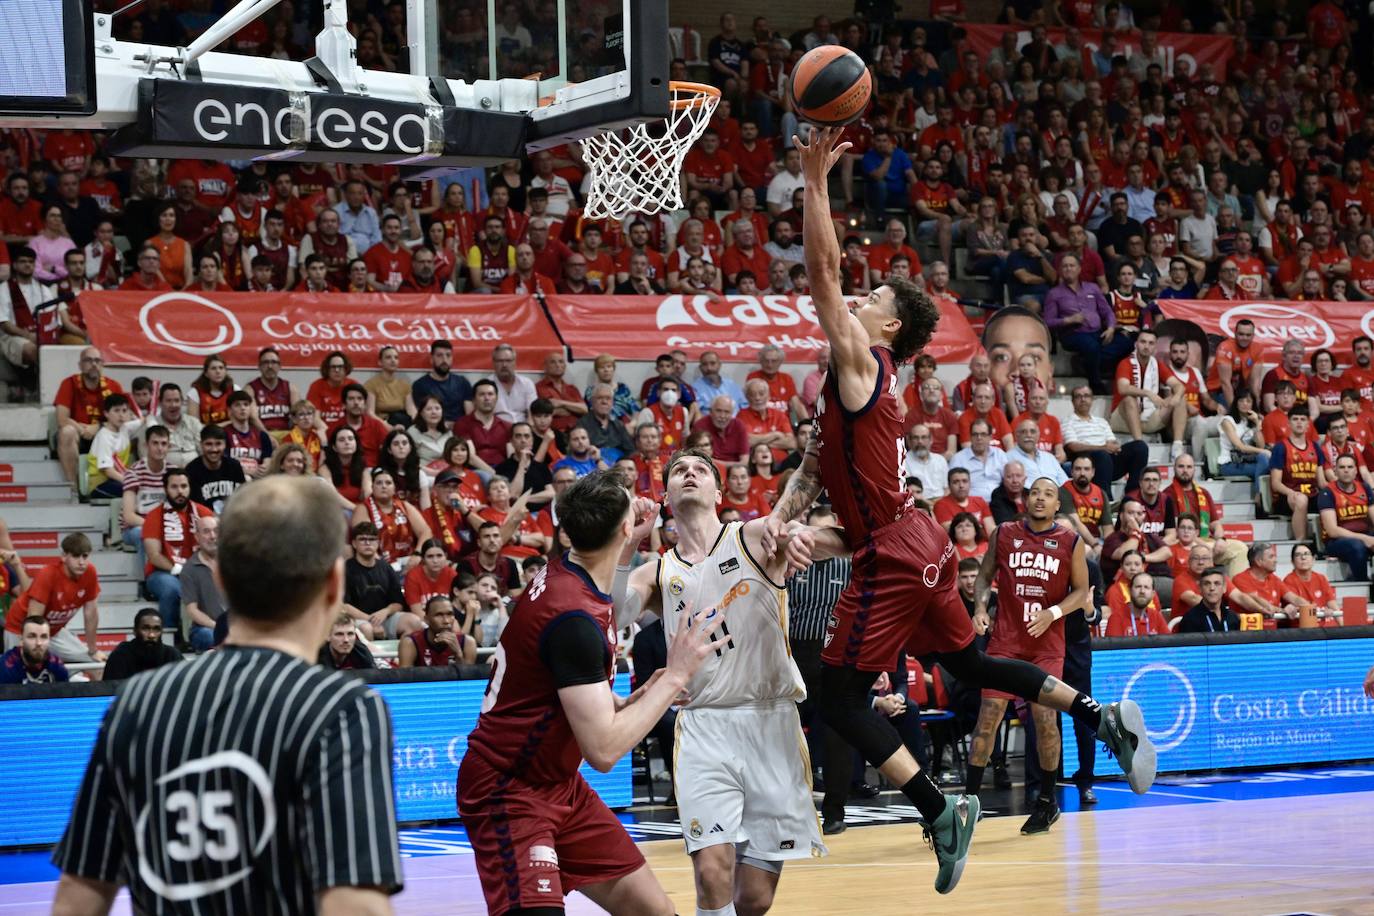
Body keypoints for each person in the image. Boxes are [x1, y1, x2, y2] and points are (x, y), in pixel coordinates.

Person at [764, 127, 1155, 896]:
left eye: (871, 301)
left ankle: (940, 810)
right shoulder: (863, 389)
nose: (858, 300)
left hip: (897, 554)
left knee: (840, 698)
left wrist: (813, 181)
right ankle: (1099, 716)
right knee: (969, 663)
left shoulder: (861, 362)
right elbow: (846, 494)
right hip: (918, 543)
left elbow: (821, 271)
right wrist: (802, 527)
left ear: (887, 330)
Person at [51, 477, 403, 914]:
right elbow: (356, 905)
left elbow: (77, 897)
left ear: (220, 578)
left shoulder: (135, 703)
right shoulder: (344, 709)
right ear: (335, 583)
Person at [458, 470, 725, 916]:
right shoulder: (574, 620)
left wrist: (639, 695)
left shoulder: (567, 572)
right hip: (509, 790)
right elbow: (603, 749)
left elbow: (581, 698)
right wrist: (676, 675)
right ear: (621, 527)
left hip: (560, 786)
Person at [616, 449, 824, 914]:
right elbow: (611, 614)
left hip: (770, 723)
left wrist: (802, 533)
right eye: (679, 472)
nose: (690, 474)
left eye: (701, 469)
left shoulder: (751, 537)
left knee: (753, 898)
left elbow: (819, 537)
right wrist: (629, 544)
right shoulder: (658, 571)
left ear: (718, 491)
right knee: (712, 876)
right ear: (666, 496)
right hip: (704, 727)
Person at [968, 478, 1091, 834]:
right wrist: (979, 607)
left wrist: (1052, 613)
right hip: (1005, 640)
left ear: (1058, 506)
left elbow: (1081, 591)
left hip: (1046, 645)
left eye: (1048, 494)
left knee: (1045, 721)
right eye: (1035, 492)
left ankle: (1046, 802)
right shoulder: (1005, 532)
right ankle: (969, 803)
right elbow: (983, 576)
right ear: (1025, 500)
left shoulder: (1070, 541)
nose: (1040, 498)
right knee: (987, 718)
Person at [3, 532, 103, 664]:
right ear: (64, 556)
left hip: (53, 631)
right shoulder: (48, 574)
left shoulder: (90, 572)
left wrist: (93, 650)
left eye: (85, 556)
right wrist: (35, 648)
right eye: (75, 556)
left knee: (96, 662)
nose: (81, 562)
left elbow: (91, 614)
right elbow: (33, 618)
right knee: (22, 671)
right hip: (20, 629)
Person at [142, 468, 216, 640]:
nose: (180, 491)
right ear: (166, 489)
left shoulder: (204, 513)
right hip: (163, 572)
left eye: (184, 486)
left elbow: (216, 545)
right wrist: (179, 569)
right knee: (171, 589)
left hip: (199, 569)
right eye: (174, 487)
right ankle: (169, 638)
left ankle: (208, 632)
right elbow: (154, 555)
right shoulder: (154, 516)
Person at [342, 521, 421, 640]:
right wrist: (370, 620)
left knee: (414, 622)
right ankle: (370, 659)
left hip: (384, 618)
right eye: (362, 539)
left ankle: (401, 657)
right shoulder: (345, 569)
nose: (368, 543)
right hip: (357, 620)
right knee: (367, 629)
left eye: (372, 539)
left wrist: (386, 611)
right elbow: (344, 606)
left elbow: (398, 603)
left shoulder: (386, 567)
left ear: (378, 543)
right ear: (354, 543)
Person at [1063, 385, 1149, 493]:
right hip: (1086, 463)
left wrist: (1113, 447)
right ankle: (1106, 499)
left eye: (1086, 396)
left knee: (1140, 447)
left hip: (1109, 462)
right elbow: (1073, 446)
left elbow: (1112, 442)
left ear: (1092, 399)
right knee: (1102, 455)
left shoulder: (1101, 422)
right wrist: (1102, 448)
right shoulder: (1068, 422)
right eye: (1078, 396)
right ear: (1072, 401)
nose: (1083, 399)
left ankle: (1133, 494)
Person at [1268, 408, 1324, 542]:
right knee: (1301, 500)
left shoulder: (1315, 448)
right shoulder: (1280, 447)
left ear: (1308, 424)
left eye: (1303, 419)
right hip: (1287, 497)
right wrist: (1292, 493)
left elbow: (1321, 482)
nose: (1299, 422)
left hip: (1313, 495)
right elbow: (1276, 483)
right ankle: (1301, 543)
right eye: (1295, 419)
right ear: (1289, 423)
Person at [1318, 454, 1374, 581]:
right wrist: (1365, 538)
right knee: (1357, 546)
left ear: (1356, 471)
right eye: (1342, 467)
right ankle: (1362, 585)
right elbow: (1332, 531)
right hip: (1336, 541)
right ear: (1335, 471)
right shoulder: (1327, 493)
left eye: (1350, 467)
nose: (1346, 470)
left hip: (1364, 534)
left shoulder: (1364, 488)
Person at [102, 607, 181, 681]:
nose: (151, 635)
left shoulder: (172, 656)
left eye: (156, 629)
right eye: (145, 629)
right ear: (135, 631)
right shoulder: (120, 655)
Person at [399, 595, 477, 666]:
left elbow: (468, 680)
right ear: (426, 619)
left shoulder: (467, 642)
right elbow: (404, 679)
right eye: (439, 615)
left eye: (450, 614)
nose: (446, 621)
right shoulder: (411, 642)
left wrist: (458, 655)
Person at [185, 425, 247, 514]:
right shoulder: (192, 470)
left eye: (218, 444)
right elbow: (194, 508)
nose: (214, 449)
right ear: (201, 445)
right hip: (204, 521)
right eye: (208, 444)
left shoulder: (234, 466)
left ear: (225, 444)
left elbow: (242, 499)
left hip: (232, 519)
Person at [0, 616, 69, 684]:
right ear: (21, 640)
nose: (39, 643)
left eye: (44, 637)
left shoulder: (56, 666)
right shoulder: (6, 667)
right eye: (32, 636)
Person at [1175, 568, 1242, 633]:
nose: (1212, 588)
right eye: (1207, 584)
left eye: (1217, 583)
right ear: (1200, 588)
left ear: (1224, 588)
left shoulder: (1233, 617)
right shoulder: (1190, 619)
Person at [1104, 572, 1169, 637]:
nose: (1142, 591)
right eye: (1138, 587)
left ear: (1153, 594)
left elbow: (1169, 643)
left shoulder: (1156, 616)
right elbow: (1114, 646)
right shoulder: (1117, 617)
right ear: (1130, 590)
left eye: (1146, 587)